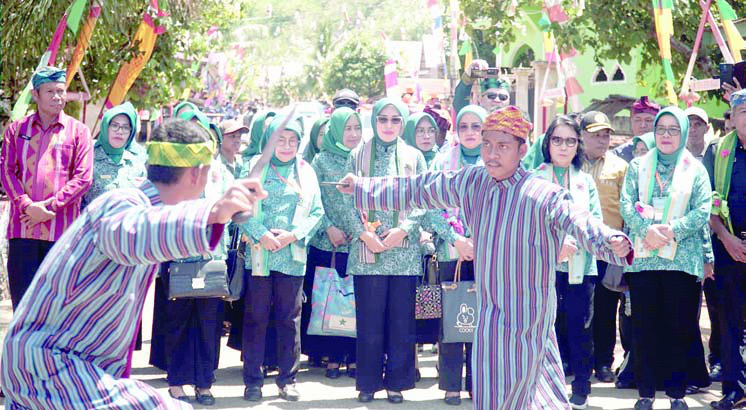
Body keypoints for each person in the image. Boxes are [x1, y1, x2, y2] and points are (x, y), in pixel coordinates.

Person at [338, 105, 633, 409]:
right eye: (487, 144)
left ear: (522, 149)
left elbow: (579, 220)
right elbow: (420, 188)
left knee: (532, 394)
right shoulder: (473, 182)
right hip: (489, 316)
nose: (492, 153)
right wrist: (363, 188)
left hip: (528, 321)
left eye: (502, 146)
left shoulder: (543, 194)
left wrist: (610, 240)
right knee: (491, 394)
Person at [0, 118, 265, 409]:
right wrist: (214, 212)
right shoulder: (122, 205)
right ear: (196, 174)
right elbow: (132, 235)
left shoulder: (137, 205)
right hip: (50, 364)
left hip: (57, 365)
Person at [620, 107, 713, 410]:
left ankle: (676, 394)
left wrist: (671, 230)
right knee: (644, 328)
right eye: (662, 129)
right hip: (645, 258)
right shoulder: (637, 166)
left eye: (674, 129)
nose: (667, 135)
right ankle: (645, 393)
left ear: (684, 133)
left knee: (679, 327)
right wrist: (647, 230)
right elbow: (626, 204)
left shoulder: (695, 169)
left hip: (681, 261)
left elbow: (702, 210)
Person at [339, 98, 428, 405]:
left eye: (395, 120)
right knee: (370, 323)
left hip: (402, 253)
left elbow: (424, 199)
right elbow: (345, 201)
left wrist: (403, 230)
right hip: (368, 253)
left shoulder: (414, 157)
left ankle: (397, 384)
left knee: (401, 323)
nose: (388, 125)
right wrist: (364, 234)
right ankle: (368, 382)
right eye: (383, 120)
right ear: (374, 121)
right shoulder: (356, 155)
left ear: (402, 123)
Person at [240, 115, 324, 403]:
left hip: (292, 255)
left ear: (299, 143)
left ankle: (288, 380)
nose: (286, 145)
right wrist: (262, 235)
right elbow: (240, 208)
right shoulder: (254, 169)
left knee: (289, 319)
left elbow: (317, 213)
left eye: (292, 140)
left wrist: (293, 235)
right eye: (280, 139)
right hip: (260, 255)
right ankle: (253, 380)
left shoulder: (306, 172)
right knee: (256, 318)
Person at [0, 66, 93, 309]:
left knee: (57, 307)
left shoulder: (79, 132)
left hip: (62, 233)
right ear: (35, 94)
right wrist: (27, 206)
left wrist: (49, 206)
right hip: (23, 230)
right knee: (23, 305)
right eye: (50, 91)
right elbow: (7, 172)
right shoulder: (16, 130)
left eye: (61, 91)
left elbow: (84, 177)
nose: (57, 97)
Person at [161, 111, 235, 406]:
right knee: (177, 321)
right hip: (178, 255)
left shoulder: (220, 171)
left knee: (208, 323)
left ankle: (205, 383)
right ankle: (177, 382)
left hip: (211, 256)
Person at [428, 105, 488, 405]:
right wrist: (456, 238)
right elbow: (430, 205)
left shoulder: (496, 161)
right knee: (452, 319)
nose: (469, 132)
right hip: (451, 251)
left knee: (483, 321)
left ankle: (479, 382)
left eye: (476, 126)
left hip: (487, 254)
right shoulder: (442, 161)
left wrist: (479, 240)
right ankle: (451, 384)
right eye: (463, 126)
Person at [302, 107, 362, 379]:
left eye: (356, 128)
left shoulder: (363, 158)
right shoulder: (321, 161)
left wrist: (360, 230)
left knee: (355, 301)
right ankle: (332, 356)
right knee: (330, 298)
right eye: (347, 129)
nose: (353, 134)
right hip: (329, 244)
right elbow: (312, 202)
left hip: (360, 243)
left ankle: (353, 355)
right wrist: (329, 228)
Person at [577, 111, 628, 387]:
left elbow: (627, 210)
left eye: (606, 134)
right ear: (581, 136)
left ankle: (603, 363)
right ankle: (576, 360)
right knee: (579, 308)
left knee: (606, 309)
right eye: (595, 134)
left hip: (609, 250)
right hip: (576, 250)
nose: (601, 139)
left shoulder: (620, 167)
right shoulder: (571, 164)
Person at [705, 89, 746, 410]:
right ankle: (734, 387)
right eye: (742, 111)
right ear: (732, 117)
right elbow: (710, 201)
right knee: (729, 320)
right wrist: (726, 238)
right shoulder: (718, 151)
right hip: (728, 246)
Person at [83, 102, 146, 208]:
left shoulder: (136, 165)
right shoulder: (87, 159)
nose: (120, 131)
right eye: (114, 125)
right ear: (105, 127)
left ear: (131, 132)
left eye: (125, 127)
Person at [613, 97, 661, 163]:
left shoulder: (666, 152)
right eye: (638, 120)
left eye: (648, 120)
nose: (643, 125)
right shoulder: (619, 155)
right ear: (631, 121)